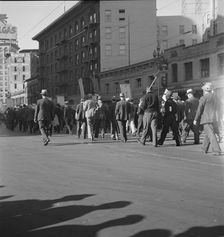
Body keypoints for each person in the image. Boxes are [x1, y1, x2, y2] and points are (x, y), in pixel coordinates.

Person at [193, 82, 222, 156]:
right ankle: (204, 148)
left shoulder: (204, 98)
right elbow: (220, 108)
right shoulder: (216, 97)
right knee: (208, 134)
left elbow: (199, 109)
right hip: (214, 119)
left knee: (211, 134)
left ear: (205, 90)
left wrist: (195, 119)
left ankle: (217, 150)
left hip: (206, 119)